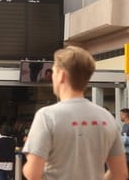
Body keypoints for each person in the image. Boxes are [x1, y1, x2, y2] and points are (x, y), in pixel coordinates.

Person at [22, 46, 127, 180]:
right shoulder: (107, 117)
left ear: (62, 75)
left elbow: (33, 173)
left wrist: (29, 162)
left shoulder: (47, 116)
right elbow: (120, 173)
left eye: (54, 72)